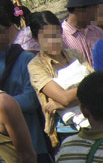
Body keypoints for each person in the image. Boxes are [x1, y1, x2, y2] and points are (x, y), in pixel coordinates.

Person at [0, 6, 54, 163]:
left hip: (33, 142)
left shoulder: (25, 59)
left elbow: (32, 98)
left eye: (6, 30)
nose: (6, 35)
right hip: (2, 150)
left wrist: (2, 104)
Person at [28, 11, 91, 152]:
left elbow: (99, 85)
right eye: (46, 38)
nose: (53, 42)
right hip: (67, 131)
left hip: (94, 118)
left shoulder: (75, 55)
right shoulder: (36, 66)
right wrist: (67, 100)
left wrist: (60, 104)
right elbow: (64, 98)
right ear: (35, 39)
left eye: (56, 35)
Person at [61, 0, 103, 67]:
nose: (96, 14)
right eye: (94, 9)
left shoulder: (97, 32)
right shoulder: (61, 37)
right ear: (79, 9)